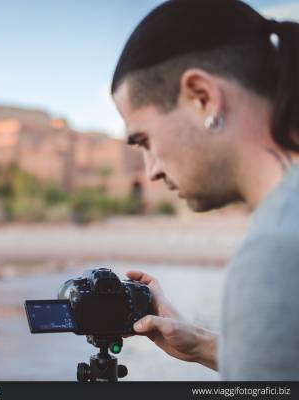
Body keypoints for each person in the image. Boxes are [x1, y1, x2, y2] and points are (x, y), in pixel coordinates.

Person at [110, 0, 299, 380]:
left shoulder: (276, 250)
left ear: (202, 97)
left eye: (145, 140)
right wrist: (201, 344)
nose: (151, 172)